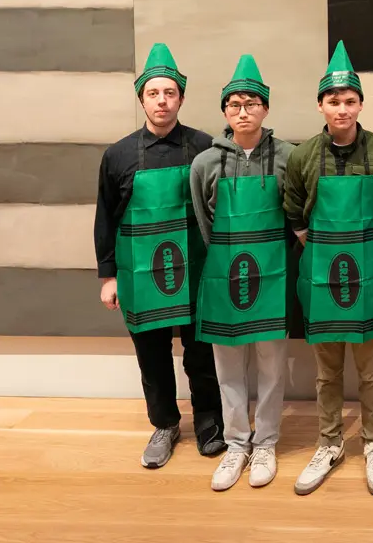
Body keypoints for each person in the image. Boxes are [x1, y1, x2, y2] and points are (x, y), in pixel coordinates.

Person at [93, 42, 225, 468]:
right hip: (140, 276)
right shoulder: (117, 155)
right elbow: (106, 218)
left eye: (170, 93)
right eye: (154, 93)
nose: (162, 101)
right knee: (151, 353)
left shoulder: (205, 147)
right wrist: (109, 276)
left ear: (181, 98)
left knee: (200, 352)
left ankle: (208, 420)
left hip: (197, 271)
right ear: (142, 99)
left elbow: (218, 212)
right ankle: (165, 424)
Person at [284, 41, 373, 496]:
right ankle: (330, 442)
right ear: (321, 105)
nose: (342, 108)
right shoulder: (302, 157)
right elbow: (294, 210)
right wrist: (320, 248)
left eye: (350, 101)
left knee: (372, 371)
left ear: (360, 104)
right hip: (320, 275)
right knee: (326, 372)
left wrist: (371, 252)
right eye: (334, 101)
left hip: (368, 274)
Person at [189, 55, 298, 491]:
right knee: (228, 365)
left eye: (251, 103)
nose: (243, 111)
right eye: (234, 104)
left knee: (273, 364)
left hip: (272, 272)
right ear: (224, 112)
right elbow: (202, 220)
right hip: (224, 273)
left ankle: (267, 440)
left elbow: (297, 215)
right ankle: (237, 443)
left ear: (265, 109)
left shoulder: (289, 156)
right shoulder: (205, 163)